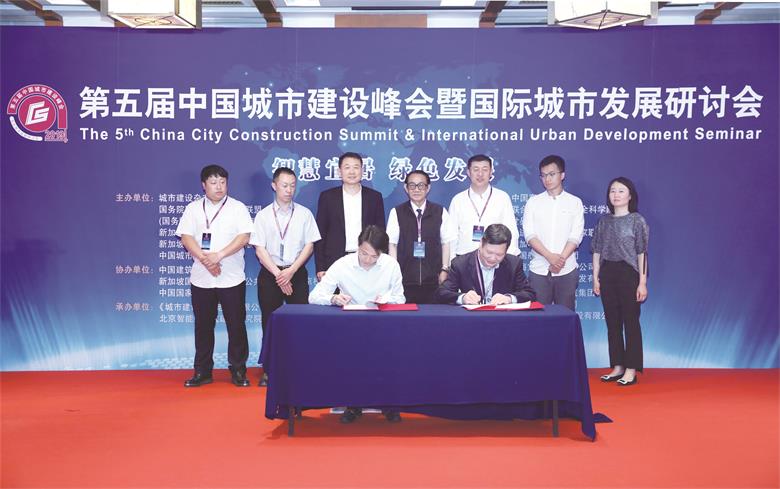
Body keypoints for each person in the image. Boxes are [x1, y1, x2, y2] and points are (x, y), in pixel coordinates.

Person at [308, 225, 404, 424]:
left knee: (388, 363)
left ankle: (389, 404)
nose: (367, 260)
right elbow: (314, 296)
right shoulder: (342, 264)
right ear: (358, 246)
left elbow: (400, 299)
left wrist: (386, 301)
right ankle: (353, 405)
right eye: (363, 253)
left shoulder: (391, 265)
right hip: (352, 325)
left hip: (382, 324)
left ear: (382, 253)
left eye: (374, 256)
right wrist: (333, 298)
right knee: (353, 363)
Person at [176, 164, 254, 387]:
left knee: (236, 325)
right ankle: (202, 371)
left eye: (222, 182)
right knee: (203, 326)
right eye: (213, 182)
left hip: (231, 277)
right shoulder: (193, 209)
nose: (219, 186)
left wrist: (218, 255)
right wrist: (205, 260)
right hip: (202, 278)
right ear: (204, 185)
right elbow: (186, 237)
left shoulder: (237, 208)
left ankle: (238, 370)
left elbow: (244, 237)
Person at [251, 167, 321, 386]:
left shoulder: (304, 214)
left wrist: (290, 272)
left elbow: (309, 246)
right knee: (269, 323)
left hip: (296, 273)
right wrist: (279, 274)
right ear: (274, 186)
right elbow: (259, 249)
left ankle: (299, 368)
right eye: (284, 185)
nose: (289, 190)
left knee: (299, 323)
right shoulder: (263, 215)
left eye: (292, 185)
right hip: (270, 274)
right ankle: (269, 370)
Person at [592, 177, 649, 387]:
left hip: (629, 274)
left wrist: (642, 282)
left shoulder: (637, 220)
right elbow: (596, 250)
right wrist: (595, 278)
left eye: (621, 190)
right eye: (612, 190)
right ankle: (617, 366)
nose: (616, 194)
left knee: (630, 322)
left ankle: (631, 369)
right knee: (612, 323)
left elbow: (642, 253)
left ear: (630, 195)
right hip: (607, 273)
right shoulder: (603, 221)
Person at [522, 155, 584, 311]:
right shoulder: (533, 202)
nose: (547, 179)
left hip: (567, 269)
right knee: (538, 318)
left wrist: (560, 260)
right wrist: (550, 257)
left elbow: (575, 236)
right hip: (539, 270)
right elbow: (530, 235)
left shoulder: (575, 202)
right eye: (543, 175)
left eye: (551, 174)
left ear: (562, 175)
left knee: (566, 316)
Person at [387, 170, 456, 304]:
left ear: (428, 188)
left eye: (421, 185)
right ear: (406, 188)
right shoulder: (397, 212)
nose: (416, 189)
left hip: (434, 280)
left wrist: (444, 269)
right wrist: (395, 272)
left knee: (433, 315)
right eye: (412, 185)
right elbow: (392, 244)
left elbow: (446, 243)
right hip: (405, 280)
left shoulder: (439, 211)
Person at [314, 152, 385, 281]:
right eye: (347, 167)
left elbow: (380, 232)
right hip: (334, 262)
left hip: (366, 261)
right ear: (339, 172)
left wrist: (380, 262)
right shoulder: (327, 197)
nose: (352, 172)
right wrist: (321, 267)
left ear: (362, 171)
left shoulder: (374, 197)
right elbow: (320, 233)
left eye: (356, 167)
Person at [435, 224, 535, 305]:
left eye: (499, 254)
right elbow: (441, 293)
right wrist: (463, 298)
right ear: (481, 244)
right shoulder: (460, 264)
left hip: (503, 318)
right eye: (489, 252)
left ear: (506, 251)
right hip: (471, 319)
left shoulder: (514, 264)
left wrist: (509, 298)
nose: (493, 258)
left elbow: (529, 294)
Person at [448, 154, 520, 257]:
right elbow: (451, 235)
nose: (480, 174)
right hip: (463, 258)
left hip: (494, 258)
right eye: (476, 169)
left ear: (491, 172)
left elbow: (511, 230)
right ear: (468, 172)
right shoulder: (458, 200)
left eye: (485, 169)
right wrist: (451, 261)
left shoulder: (502, 198)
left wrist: (509, 258)